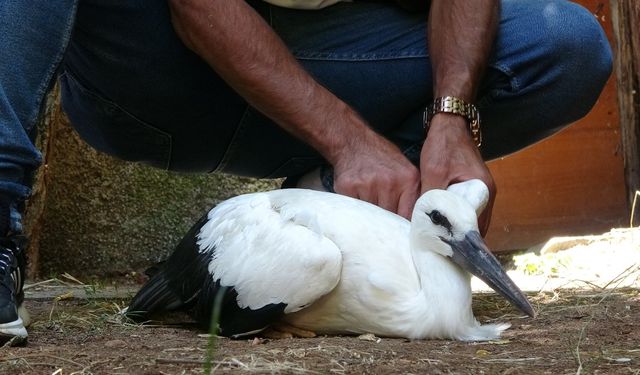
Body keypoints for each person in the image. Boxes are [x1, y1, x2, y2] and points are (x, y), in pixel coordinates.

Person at [0, 0, 612, 345]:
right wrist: (349, 140)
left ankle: (330, 200)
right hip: (162, 73)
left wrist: (451, 116)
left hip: (342, 51)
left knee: (565, 46)